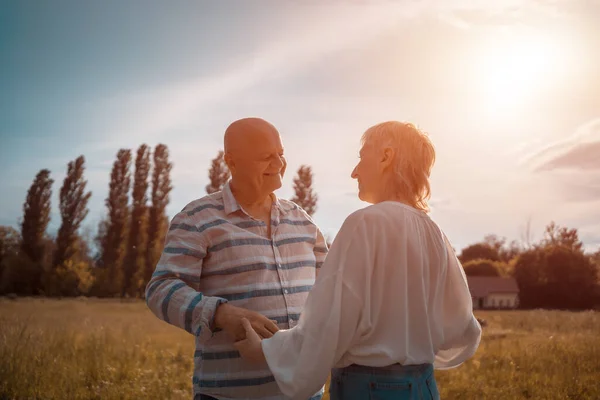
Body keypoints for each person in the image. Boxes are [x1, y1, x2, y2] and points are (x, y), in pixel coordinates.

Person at [234, 121, 482, 400]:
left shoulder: (363, 224)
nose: (354, 172)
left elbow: (329, 321)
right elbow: (462, 327)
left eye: (362, 157)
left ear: (386, 157)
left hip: (369, 390)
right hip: (424, 387)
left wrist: (266, 351)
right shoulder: (433, 232)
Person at [145, 117, 328, 400]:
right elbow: (161, 289)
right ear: (232, 162)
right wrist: (220, 314)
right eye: (266, 157)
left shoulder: (301, 220)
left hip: (305, 393)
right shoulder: (196, 219)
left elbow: (331, 288)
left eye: (280, 154)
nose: (279, 165)